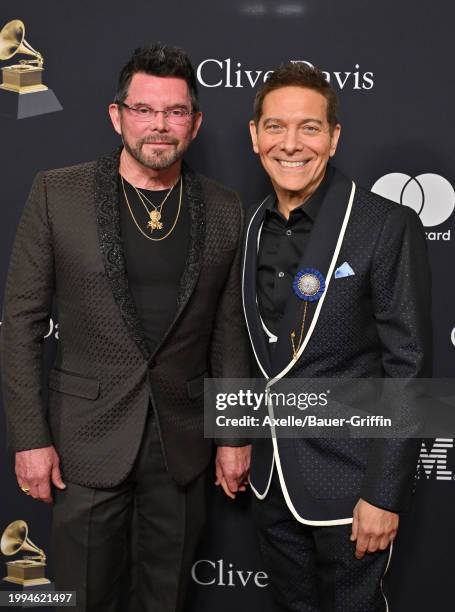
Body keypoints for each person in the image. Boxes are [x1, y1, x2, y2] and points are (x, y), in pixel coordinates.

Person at [0, 43, 250, 612]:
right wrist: (31, 439)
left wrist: (234, 434)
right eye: (144, 109)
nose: (159, 126)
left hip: (183, 444)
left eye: (175, 111)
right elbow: (20, 324)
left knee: (167, 599)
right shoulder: (56, 194)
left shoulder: (225, 206)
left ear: (195, 121)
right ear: (117, 116)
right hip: (84, 440)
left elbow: (230, 331)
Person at [241, 62, 432, 611]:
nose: (291, 143)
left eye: (310, 127)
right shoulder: (251, 227)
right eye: (275, 126)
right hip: (270, 481)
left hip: (353, 488)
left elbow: (410, 365)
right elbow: (258, 351)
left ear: (333, 137)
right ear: (255, 136)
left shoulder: (384, 224)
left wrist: (384, 492)